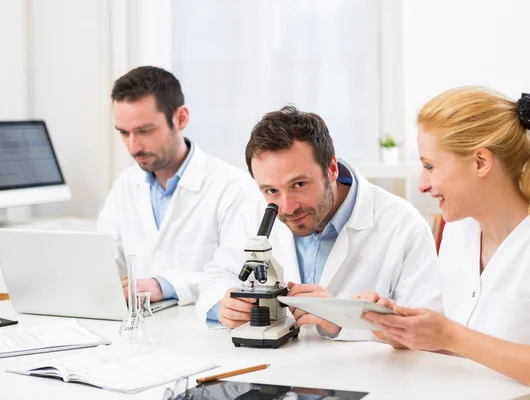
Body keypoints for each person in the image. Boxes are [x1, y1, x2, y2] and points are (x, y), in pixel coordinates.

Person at [361, 87, 530, 398]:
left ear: (481, 162)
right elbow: (455, 352)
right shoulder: (459, 234)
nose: (422, 184)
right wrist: (404, 331)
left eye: (430, 166)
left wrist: (450, 335)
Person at [196, 105, 440, 340]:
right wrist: (223, 305)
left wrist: (340, 321)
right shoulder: (256, 212)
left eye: (299, 184)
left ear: (331, 169)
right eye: (271, 190)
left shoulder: (401, 224)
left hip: (364, 378)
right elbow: (216, 276)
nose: (288, 207)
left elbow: (428, 328)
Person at [98, 66, 263, 308]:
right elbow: (104, 260)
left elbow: (241, 275)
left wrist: (164, 285)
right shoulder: (126, 184)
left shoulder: (233, 188)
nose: (133, 147)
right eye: (124, 133)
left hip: (200, 331)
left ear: (181, 118)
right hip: (141, 328)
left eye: (144, 131)